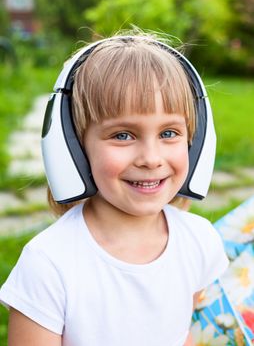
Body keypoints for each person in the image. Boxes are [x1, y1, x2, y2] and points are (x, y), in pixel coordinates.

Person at [0, 31, 228, 346]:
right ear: (73, 148)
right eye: (122, 135)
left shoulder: (199, 242)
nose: (151, 158)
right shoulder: (48, 264)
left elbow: (180, 334)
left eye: (169, 133)